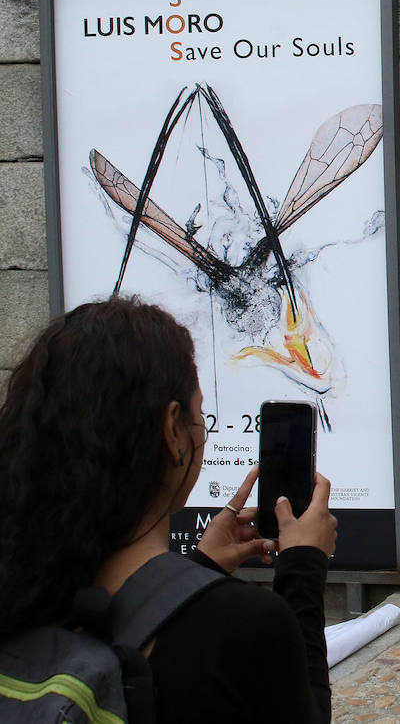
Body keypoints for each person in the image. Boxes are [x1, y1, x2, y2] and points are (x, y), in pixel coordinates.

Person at [0, 296, 338, 723]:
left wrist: (200, 570)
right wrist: (303, 567)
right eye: (201, 415)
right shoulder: (244, 627)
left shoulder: (22, 586)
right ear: (172, 430)